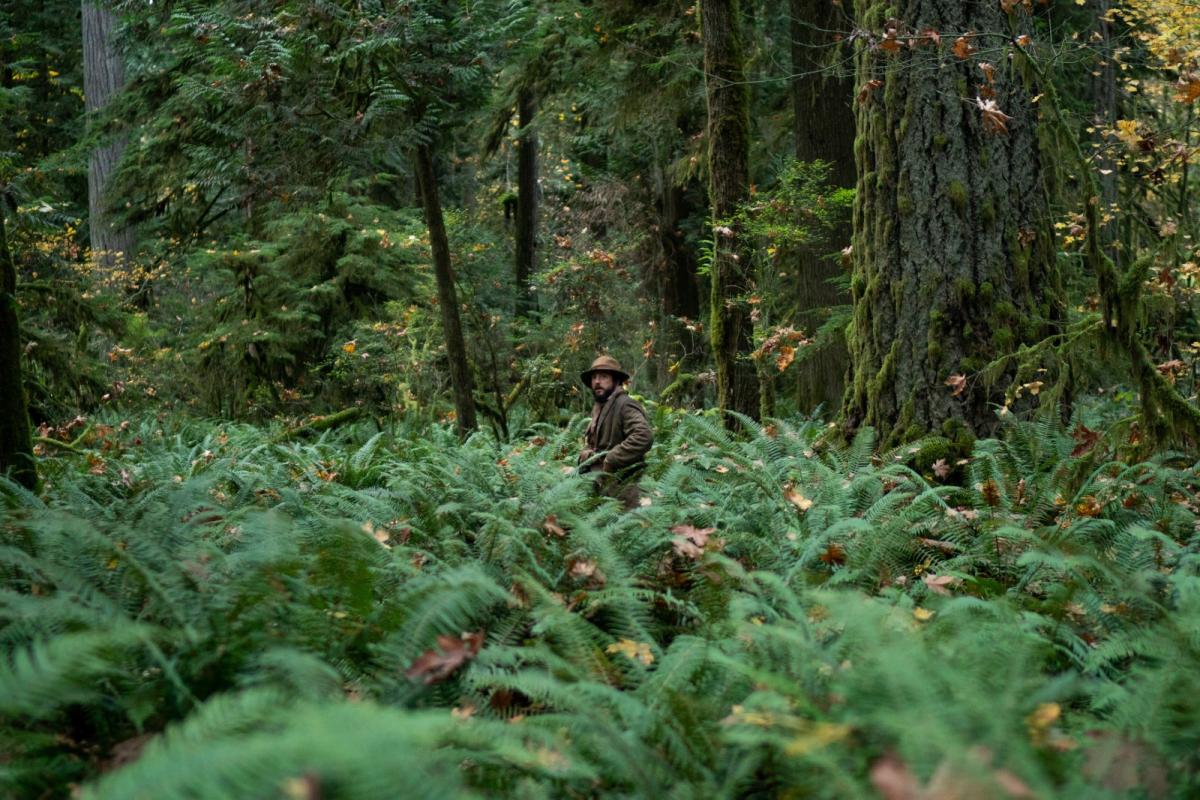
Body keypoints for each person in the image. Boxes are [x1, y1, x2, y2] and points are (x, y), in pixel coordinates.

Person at [578, 355, 653, 509]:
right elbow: (596, 443)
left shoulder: (625, 405)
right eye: (594, 377)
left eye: (604, 377)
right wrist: (587, 453)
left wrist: (611, 458)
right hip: (600, 484)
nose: (597, 381)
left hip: (623, 487)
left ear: (617, 381)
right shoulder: (600, 406)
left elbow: (643, 436)